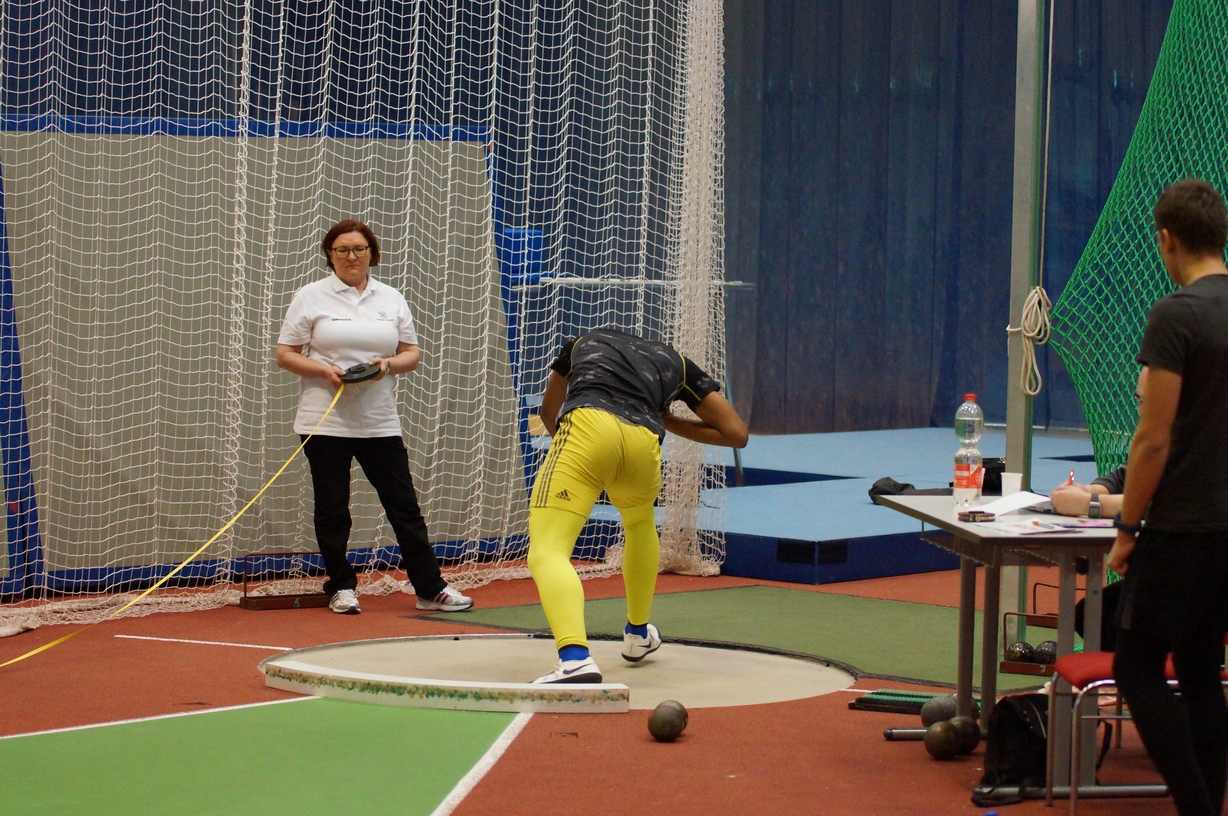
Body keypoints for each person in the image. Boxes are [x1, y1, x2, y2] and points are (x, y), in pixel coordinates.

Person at [528, 328, 748, 683]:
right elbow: (737, 434)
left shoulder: (583, 343)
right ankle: (638, 634)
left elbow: (548, 411)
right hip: (644, 443)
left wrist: (581, 463)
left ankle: (575, 659)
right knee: (639, 524)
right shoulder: (676, 362)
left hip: (587, 429)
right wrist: (670, 421)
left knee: (548, 551)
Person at [276, 219, 473, 615]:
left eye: (359, 249)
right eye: (342, 250)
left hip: (379, 421)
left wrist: (387, 365)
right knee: (333, 509)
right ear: (330, 255)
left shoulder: (391, 297)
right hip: (324, 421)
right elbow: (285, 353)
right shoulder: (310, 296)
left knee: (404, 507)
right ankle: (341, 587)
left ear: (371, 254)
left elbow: (410, 353)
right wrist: (324, 371)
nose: (351, 256)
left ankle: (430, 588)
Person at [1110, 178, 1228, 816]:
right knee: (1203, 671)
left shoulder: (1176, 314)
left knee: (1137, 667)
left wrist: (1128, 529)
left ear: (1167, 239)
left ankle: (1196, 807)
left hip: (1181, 530)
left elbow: (1152, 438)